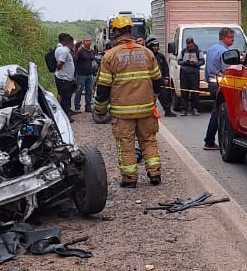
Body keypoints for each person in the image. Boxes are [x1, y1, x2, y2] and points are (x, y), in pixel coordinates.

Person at [93, 15, 163, 186]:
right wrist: (152, 100)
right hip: (146, 109)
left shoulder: (110, 56)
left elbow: (103, 88)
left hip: (122, 112)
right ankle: (154, 174)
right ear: (130, 30)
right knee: (149, 140)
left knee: (126, 144)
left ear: (115, 32)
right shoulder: (146, 53)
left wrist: (100, 110)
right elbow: (158, 81)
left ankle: (130, 179)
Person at [202, 26, 236, 150]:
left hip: (211, 83)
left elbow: (207, 69)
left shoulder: (211, 49)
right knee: (218, 113)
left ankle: (211, 139)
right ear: (223, 37)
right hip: (219, 84)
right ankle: (209, 140)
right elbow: (227, 70)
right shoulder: (224, 52)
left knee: (217, 111)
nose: (233, 40)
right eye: (230, 37)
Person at [146, 37, 176, 116]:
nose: (156, 48)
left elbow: (166, 68)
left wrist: (166, 78)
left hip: (161, 79)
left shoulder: (161, 56)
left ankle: (167, 111)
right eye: (154, 46)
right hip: (150, 80)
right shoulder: (147, 56)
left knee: (165, 95)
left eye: (157, 46)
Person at [176, 36, 204, 115]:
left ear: (193, 43)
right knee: (184, 91)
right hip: (184, 73)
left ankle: (195, 108)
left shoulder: (198, 51)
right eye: (187, 45)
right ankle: (184, 109)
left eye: (190, 45)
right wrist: (184, 63)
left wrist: (194, 63)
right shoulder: (183, 51)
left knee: (194, 91)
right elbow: (179, 61)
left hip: (194, 73)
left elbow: (202, 62)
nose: (189, 47)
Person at [73, 36, 99, 113]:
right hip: (81, 74)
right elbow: (75, 59)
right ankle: (77, 107)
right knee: (79, 91)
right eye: (86, 41)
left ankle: (88, 106)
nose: (88, 42)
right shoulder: (80, 51)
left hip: (90, 74)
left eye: (89, 40)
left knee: (89, 91)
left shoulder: (92, 51)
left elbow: (93, 61)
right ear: (83, 42)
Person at [53, 32, 76, 115]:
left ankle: (66, 113)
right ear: (70, 43)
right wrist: (60, 70)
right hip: (63, 79)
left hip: (66, 78)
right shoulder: (64, 51)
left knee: (66, 97)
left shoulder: (64, 50)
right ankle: (65, 116)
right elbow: (59, 64)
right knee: (65, 99)